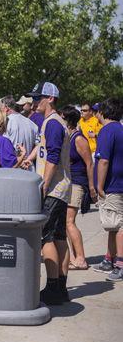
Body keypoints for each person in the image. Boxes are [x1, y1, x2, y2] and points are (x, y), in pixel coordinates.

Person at [23, 82, 72, 304]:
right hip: (61, 189)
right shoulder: (53, 122)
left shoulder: (52, 123)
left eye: (38, 98)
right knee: (60, 237)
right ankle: (61, 287)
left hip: (53, 189)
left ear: (50, 98)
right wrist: (30, 159)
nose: (34, 102)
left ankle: (53, 287)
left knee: (46, 237)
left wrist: (43, 185)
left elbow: (52, 157)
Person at [62, 106, 95, 270]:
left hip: (78, 182)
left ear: (67, 120)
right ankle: (74, 257)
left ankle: (81, 258)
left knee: (69, 221)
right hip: (69, 182)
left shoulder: (78, 139)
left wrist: (91, 186)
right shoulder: (67, 137)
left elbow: (89, 163)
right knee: (66, 222)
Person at [93, 98, 123, 281]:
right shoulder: (120, 129)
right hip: (119, 184)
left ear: (103, 112)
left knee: (119, 225)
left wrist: (99, 185)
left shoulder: (106, 131)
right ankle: (109, 259)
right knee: (113, 225)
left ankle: (120, 264)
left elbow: (103, 161)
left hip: (113, 185)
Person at [0, 95, 38, 161]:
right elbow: (38, 146)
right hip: (28, 167)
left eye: (0, 109)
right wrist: (28, 159)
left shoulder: (5, 123)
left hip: (11, 167)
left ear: (6, 108)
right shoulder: (32, 124)